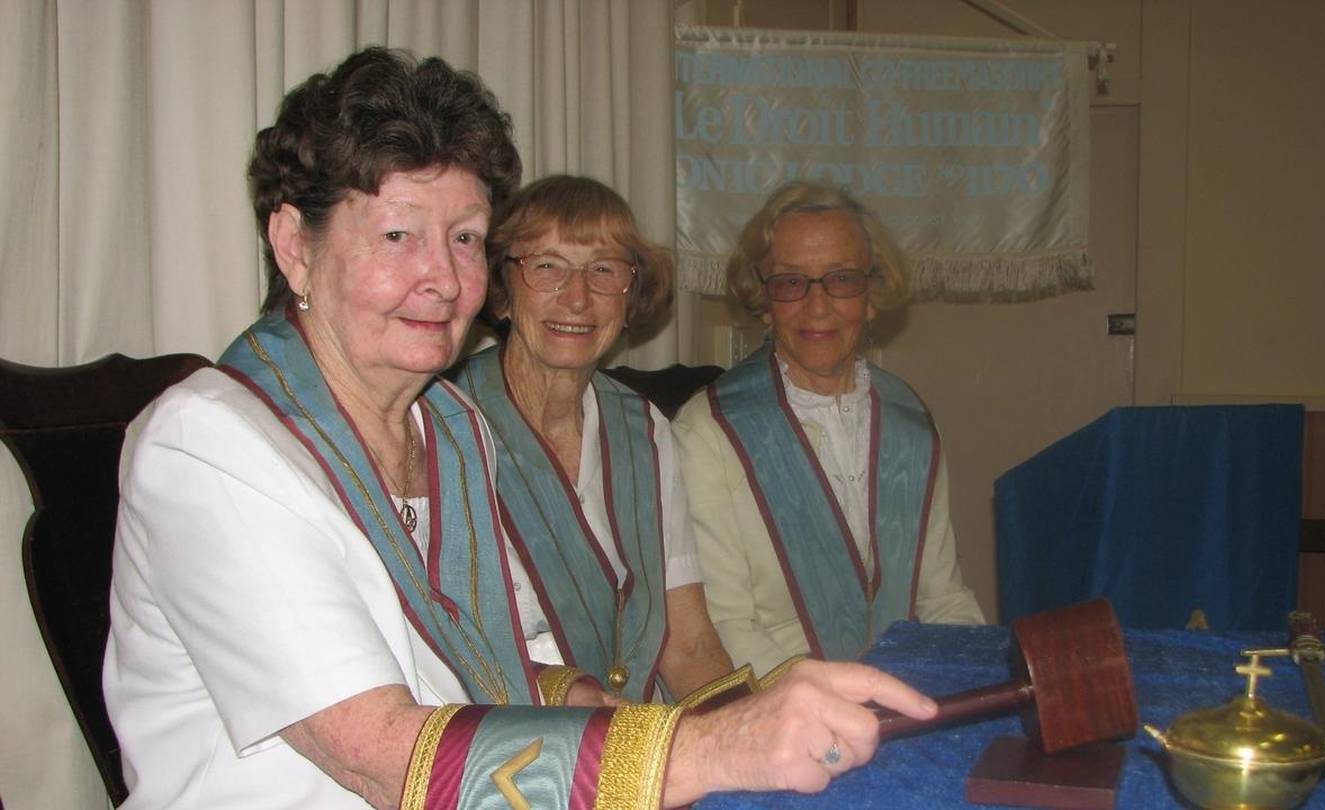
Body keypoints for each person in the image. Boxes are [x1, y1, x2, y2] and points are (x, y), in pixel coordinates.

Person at [101, 49, 936, 809]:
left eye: (465, 237)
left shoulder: (449, 427)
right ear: (295, 246)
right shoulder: (210, 447)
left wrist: (575, 697)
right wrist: (712, 745)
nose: (442, 276)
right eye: (399, 234)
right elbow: (384, 759)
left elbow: (465, 666)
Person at [673, 181, 987, 678]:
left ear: (872, 295)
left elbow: (942, 598)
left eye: (841, 279)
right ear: (765, 300)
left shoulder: (909, 421)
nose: (817, 306)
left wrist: (978, 675)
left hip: (900, 704)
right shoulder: (707, 433)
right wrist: (850, 701)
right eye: (791, 282)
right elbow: (725, 628)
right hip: (776, 715)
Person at [448, 175, 731, 703]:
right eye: (547, 267)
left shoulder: (646, 431)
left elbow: (688, 642)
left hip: (637, 735)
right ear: (502, 291)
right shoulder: (442, 425)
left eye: (603, 270)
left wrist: (743, 738)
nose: (577, 297)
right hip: (511, 742)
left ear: (629, 300)